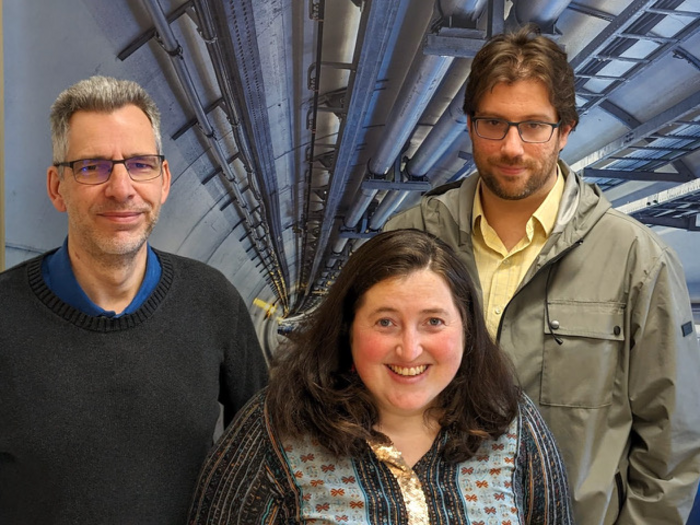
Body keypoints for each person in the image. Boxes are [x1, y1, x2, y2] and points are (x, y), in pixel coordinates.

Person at [385, 25, 700, 524]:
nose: (512, 147)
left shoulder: (637, 260)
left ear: (565, 130)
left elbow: (672, 442)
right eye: (494, 123)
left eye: (534, 125)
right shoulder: (410, 240)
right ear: (469, 126)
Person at [0, 76, 268, 524]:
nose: (122, 188)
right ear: (56, 187)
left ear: (163, 181)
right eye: (92, 167)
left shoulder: (213, 301)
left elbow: (266, 452)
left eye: (140, 164)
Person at [187, 229, 574, 524]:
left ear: (466, 329)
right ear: (348, 327)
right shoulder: (276, 425)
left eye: (433, 322)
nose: (409, 349)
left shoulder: (512, 423)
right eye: (385, 322)